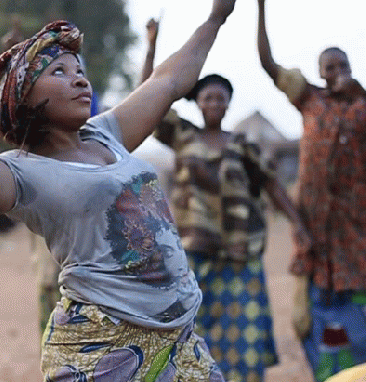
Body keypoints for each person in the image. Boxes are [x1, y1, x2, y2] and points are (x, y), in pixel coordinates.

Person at [0, 0, 236, 379]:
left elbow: (168, 81)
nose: (79, 79)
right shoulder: (25, 172)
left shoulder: (107, 134)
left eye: (79, 71)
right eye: (58, 72)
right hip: (104, 347)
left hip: (181, 339)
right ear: (21, 96)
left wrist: (216, 17)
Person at [141, 17, 310, 382]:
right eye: (207, 97)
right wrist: (152, 45)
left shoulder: (243, 143)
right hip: (194, 253)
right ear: (198, 102)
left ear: (229, 102)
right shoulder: (182, 134)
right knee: (193, 336)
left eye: (221, 97)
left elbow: (272, 186)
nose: (214, 102)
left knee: (244, 339)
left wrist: (298, 226)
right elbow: (147, 99)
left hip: (239, 253)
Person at [256, 0, 366, 380]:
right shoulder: (309, 100)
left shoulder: (363, 107)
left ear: (352, 71)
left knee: (358, 324)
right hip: (315, 239)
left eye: (343, 67)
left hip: (356, 238)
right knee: (313, 326)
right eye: (329, 68)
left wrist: (360, 93)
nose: (337, 73)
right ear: (319, 74)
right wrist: (260, 8)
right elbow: (269, 64)